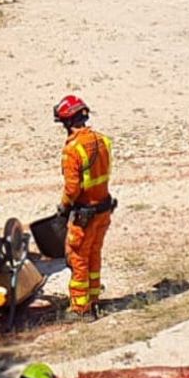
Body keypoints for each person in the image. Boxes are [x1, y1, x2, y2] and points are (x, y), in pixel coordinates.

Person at [54, 94, 116, 320]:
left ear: (68, 122)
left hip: (85, 214)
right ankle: (93, 299)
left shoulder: (73, 150)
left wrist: (63, 207)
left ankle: (81, 309)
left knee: (78, 258)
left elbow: (72, 188)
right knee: (94, 256)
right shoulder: (102, 141)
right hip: (104, 209)